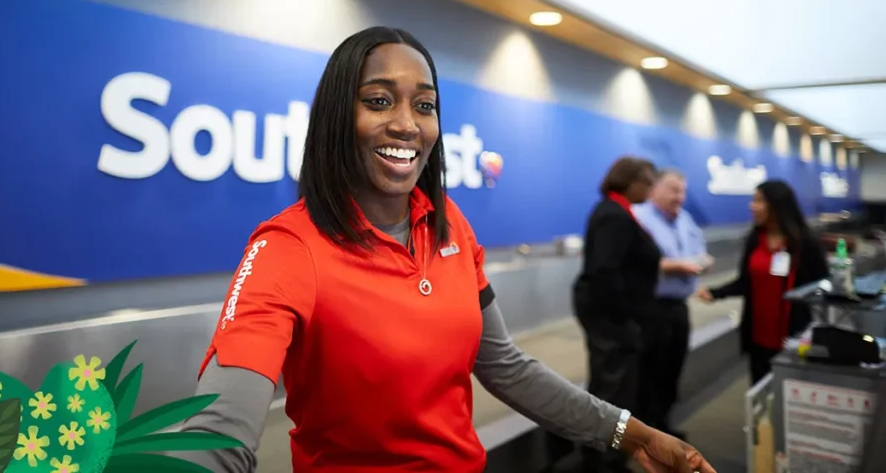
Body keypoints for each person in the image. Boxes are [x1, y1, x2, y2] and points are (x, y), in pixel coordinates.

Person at [176, 27, 715, 473]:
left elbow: (505, 365)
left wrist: (634, 435)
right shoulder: (287, 247)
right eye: (378, 100)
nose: (406, 124)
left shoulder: (448, 223)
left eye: (425, 105)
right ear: (337, 116)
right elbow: (221, 430)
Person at [572, 155, 662, 473]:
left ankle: (605, 457)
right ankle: (602, 461)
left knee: (613, 383)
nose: (651, 189)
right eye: (648, 182)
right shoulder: (613, 215)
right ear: (630, 181)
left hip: (613, 315)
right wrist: (627, 320)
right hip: (611, 318)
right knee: (612, 387)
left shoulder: (618, 211)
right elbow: (605, 273)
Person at [697, 179, 829, 384]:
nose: (752, 206)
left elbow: (822, 284)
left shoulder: (805, 243)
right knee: (760, 390)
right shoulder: (754, 240)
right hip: (758, 336)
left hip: (793, 337)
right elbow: (745, 282)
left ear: (777, 206)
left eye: (759, 201)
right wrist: (716, 293)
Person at [633, 168, 714, 440]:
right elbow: (636, 261)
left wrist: (702, 261)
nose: (679, 197)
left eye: (683, 191)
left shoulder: (684, 219)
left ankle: (662, 427)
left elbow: (699, 250)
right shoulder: (638, 218)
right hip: (649, 308)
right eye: (673, 190)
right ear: (654, 189)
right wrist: (675, 266)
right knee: (649, 371)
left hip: (678, 307)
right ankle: (644, 435)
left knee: (672, 368)